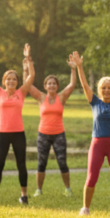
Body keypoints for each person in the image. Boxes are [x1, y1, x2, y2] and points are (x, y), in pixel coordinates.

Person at [71, 50, 110, 216]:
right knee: (91, 177)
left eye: (109, 88)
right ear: (99, 90)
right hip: (97, 144)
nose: (106, 90)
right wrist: (80, 67)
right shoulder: (94, 102)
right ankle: (85, 208)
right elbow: (85, 85)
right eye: (103, 88)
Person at [0, 43, 35, 205]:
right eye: (8, 79)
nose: (11, 81)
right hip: (2, 134)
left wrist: (28, 59)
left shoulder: (22, 92)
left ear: (17, 82)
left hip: (18, 133)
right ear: (4, 81)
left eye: (14, 79)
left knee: (21, 164)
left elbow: (31, 76)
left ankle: (24, 196)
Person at [28, 56, 78, 198]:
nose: (51, 86)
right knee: (41, 163)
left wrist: (73, 69)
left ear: (57, 86)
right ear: (45, 86)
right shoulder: (40, 97)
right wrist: (26, 69)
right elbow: (28, 85)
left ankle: (68, 189)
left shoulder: (61, 97)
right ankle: (39, 190)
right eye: (49, 84)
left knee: (62, 162)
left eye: (54, 84)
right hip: (43, 134)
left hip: (58, 135)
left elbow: (72, 84)